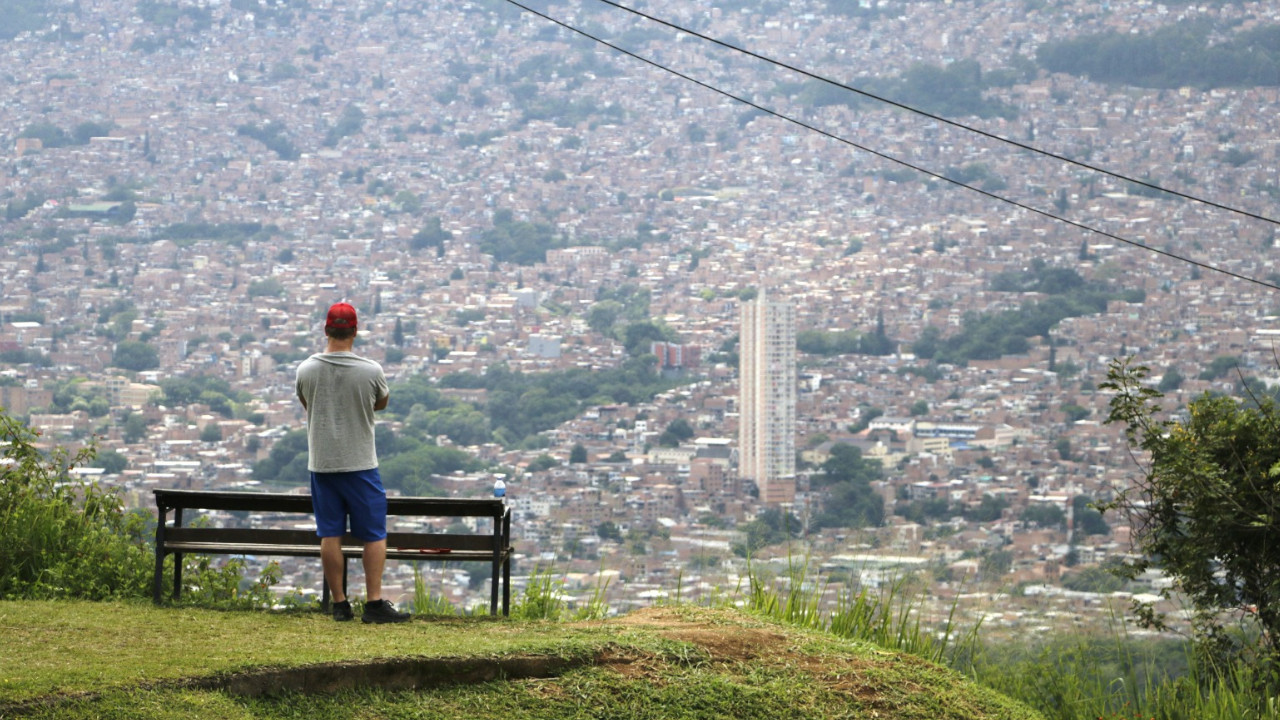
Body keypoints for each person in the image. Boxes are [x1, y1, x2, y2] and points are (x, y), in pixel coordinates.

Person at [295, 302, 410, 623]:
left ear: (326, 329)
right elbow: (381, 403)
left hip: (322, 465)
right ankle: (373, 604)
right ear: (355, 331)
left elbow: (307, 402)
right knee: (373, 533)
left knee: (329, 533)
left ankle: (340, 604)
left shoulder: (306, 369)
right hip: (360, 463)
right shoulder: (370, 370)